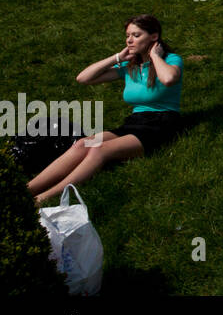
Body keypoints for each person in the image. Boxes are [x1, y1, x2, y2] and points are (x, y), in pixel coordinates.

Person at [27, 15, 184, 205]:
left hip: (163, 123)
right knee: (82, 144)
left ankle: (41, 198)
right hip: (135, 122)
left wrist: (155, 57)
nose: (129, 40)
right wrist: (117, 57)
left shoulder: (171, 59)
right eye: (128, 35)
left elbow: (168, 79)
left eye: (136, 35)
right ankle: (26, 190)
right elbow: (83, 78)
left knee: (99, 150)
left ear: (154, 36)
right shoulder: (130, 66)